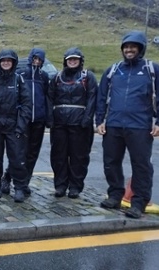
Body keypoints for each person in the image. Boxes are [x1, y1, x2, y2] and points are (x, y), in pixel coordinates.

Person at [96, 31, 159, 219]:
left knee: (141, 165)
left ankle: (139, 203)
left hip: (139, 126)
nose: (129, 50)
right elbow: (101, 96)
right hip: (113, 124)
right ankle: (115, 196)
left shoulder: (152, 69)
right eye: (126, 47)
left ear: (141, 49)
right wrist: (99, 121)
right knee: (111, 162)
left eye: (133, 47)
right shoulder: (113, 70)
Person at [48, 47, 97, 199]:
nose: (72, 61)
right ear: (65, 61)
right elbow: (49, 98)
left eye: (75, 59)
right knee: (58, 156)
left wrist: (87, 119)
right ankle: (60, 186)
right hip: (59, 123)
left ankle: (75, 186)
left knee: (79, 157)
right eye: (70, 59)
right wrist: (50, 118)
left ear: (80, 61)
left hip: (80, 124)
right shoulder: (57, 77)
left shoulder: (87, 77)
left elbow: (92, 98)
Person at [0, 49, 32, 202]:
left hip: (14, 126)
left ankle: (18, 187)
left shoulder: (19, 80)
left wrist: (20, 126)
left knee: (17, 159)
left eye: (9, 61)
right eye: (3, 60)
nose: (5, 63)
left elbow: (26, 104)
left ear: (13, 63)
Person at [2, 48, 51, 196]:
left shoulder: (44, 76)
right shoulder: (21, 74)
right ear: (30, 58)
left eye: (39, 59)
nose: (37, 61)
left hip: (39, 121)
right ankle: (8, 177)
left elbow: (47, 98)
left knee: (32, 154)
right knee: (19, 153)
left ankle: (24, 183)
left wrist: (48, 118)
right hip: (24, 120)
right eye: (35, 58)